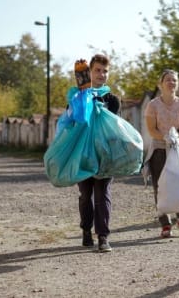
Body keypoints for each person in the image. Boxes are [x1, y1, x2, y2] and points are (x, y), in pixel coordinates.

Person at [75, 54, 120, 252]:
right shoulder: (78, 95)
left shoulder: (113, 100)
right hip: (83, 154)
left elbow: (114, 126)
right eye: (97, 70)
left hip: (104, 155)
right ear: (89, 72)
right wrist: (83, 93)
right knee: (86, 195)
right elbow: (75, 120)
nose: (102, 74)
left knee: (103, 195)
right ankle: (86, 229)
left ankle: (103, 236)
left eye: (105, 71)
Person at [144, 69, 179, 238]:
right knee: (160, 187)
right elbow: (151, 129)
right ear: (161, 84)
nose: (171, 83)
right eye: (168, 80)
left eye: (174, 80)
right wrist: (166, 138)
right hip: (159, 149)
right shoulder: (153, 105)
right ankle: (165, 224)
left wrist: (176, 139)